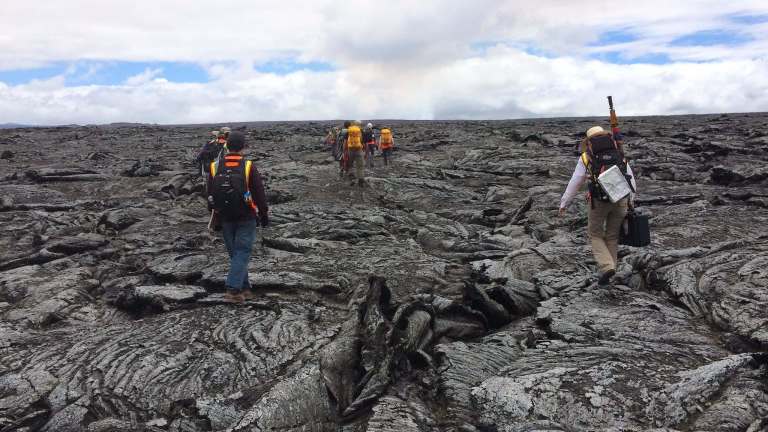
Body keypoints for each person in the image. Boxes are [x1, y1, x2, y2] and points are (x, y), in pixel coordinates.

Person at [558, 126, 637, 285]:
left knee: (595, 234)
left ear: (589, 142)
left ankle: (607, 267)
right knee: (612, 236)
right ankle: (611, 268)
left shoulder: (586, 157)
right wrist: (630, 201)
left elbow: (575, 182)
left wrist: (564, 203)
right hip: (620, 200)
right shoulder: (619, 153)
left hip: (599, 202)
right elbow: (631, 180)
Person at [207, 131, 269, 302]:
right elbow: (259, 194)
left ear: (226, 146)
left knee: (236, 253)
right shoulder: (248, 166)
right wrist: (263, 215)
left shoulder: (214, 166)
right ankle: (233, 290)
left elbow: (210, 193)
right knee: (242, 251)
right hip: (246, 215)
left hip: (225, 216)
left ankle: (245, 288)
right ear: (243, 147)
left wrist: (214, 216)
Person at [346, 121, 365, 185]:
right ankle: (361, 179)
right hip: (359, 149)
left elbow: (345, 141)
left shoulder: (348, 131)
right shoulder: (360, 130)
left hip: (350, 150)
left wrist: (345, 150)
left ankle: (352, 178)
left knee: (350, 164)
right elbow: (362, 140)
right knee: (360, 165)